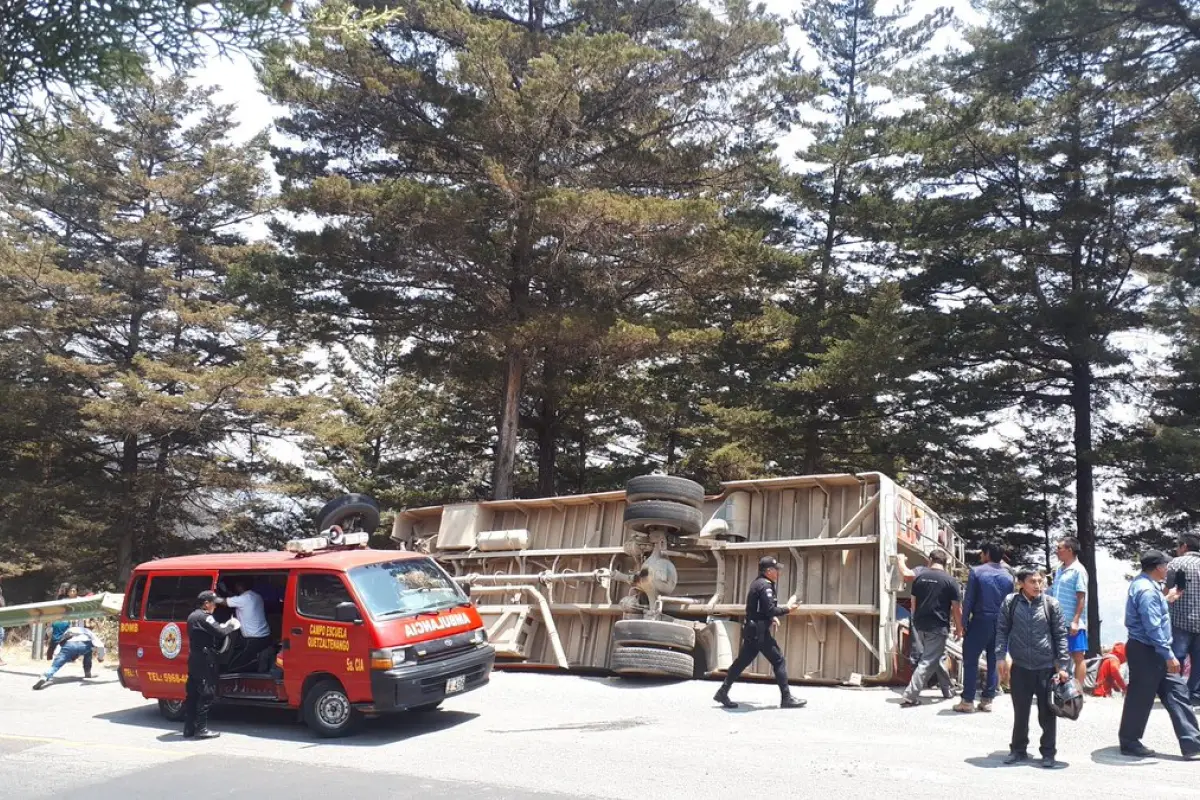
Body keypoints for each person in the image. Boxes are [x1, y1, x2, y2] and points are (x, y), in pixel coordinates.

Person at [1117, 550, 1200, 759]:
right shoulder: (1146, 591)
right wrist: (1168, 655)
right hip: (1148, 650)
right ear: (1158, 567)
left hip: (1153, 649)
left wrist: (1168, 598)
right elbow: (1152, 626)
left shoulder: (1147, 586)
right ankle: (1129, 741)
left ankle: (1193, 744)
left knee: (1178, 692)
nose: (1168, 569)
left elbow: (1154, 613)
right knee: (1140, 697)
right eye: (1166, 565)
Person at [995, 566, 1070, 768]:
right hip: (1020, 667)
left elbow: (1061, 636)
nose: (1038, 585)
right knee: (1021, 712)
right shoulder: (1011, 603)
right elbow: (1001, 630)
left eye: (1040, 581)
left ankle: (1048, 753)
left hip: (1045, 667)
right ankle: (1018, 750)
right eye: (1033, 582)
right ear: (1021, 584)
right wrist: (1000, 656)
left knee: (1047, 713)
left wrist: (1062, 666)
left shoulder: (1051, 604)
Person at [713, 556, 806, 709]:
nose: (778, 573)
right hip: (759, 632)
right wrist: (787, 609)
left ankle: (723, 692)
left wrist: (772, 618)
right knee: (778, 660)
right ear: (769, 571)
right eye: (776, 570)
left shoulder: (758, 583)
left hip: (752, 628)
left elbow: (759, 609)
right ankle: (786, 698)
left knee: (741, 662)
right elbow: (769, 609)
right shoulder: (765, 586)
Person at [897, 549, 962, 707]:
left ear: (930, 560)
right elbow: (956, 609)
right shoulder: (950, 581)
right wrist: (960, 629)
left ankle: (948, 690)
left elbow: (913, 603)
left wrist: (916, 621)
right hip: (937, 626)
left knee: (936, 657)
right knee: (928, 660)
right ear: (945, 563)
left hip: (919, 624)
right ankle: (910, 695)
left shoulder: (920, 578)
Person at [955, 540, 1014, 713]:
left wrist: (963, 623)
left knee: (971, 659)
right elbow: (1010, 602)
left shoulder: (977, 572)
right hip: (1001, 621)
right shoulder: (1009, 575)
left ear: (987, 554)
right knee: (994, 660)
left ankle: (967, 700)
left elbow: (969, 600)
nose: (981, 555)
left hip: (981, 619)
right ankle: (988, 699)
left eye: (982, 552)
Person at [184, 590, 241, 739]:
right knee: (206, 692)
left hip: (194, 657)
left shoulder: (192, 616)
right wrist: (231, 626)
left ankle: (188, 728)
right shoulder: (205, 618)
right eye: (213, 604)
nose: (215, 607)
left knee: (192, 694)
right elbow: (220, 633)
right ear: (206, 603)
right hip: (204, 658)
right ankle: (202, 729)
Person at [1048, 536, 1089, 686]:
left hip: (1072, 621)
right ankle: (1062, 687)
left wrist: (1075, 621)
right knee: (1059, 655)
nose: (1057, 551)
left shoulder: (1079, 570)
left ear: (1069, 550)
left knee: (1078, 655)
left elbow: (1081, 597)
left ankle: (1078, 689)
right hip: (1057, 620)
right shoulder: (1059, 569)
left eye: (1059, 548)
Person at [1165, 532, 1200, 706]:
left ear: (1184, 546)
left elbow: (1167, 589)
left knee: (1176, 658)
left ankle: (1175, 693)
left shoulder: (1176, 564)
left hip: (1180, 620)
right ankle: (1195, 695)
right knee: (1198, 661)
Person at [216, 578, 271, 672]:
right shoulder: (256, 596)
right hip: (265, 636)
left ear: (239, 586)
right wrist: (227, 592)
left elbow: (225, 602)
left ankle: (234, 681)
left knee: (236, 665)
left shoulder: (244, 599)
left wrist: (212, 597)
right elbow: (235, 599)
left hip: (253, 639)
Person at [32, 625, 104, 689]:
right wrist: (100, 657)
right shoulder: (88, 631)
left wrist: (59, 656)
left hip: (69, 645)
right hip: (84, 645)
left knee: (56, 665)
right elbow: (100, 645)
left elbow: (61, 644)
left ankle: (45, 676)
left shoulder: (69, 630)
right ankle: (87, 672)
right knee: (89, 651)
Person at [45, 583, 79, 661]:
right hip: (60, 622)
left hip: (63, 622)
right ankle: (50, 655)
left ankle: (50, 655)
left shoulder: (65, 599)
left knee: (65, 639)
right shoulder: (64, 600)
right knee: (60, 639)